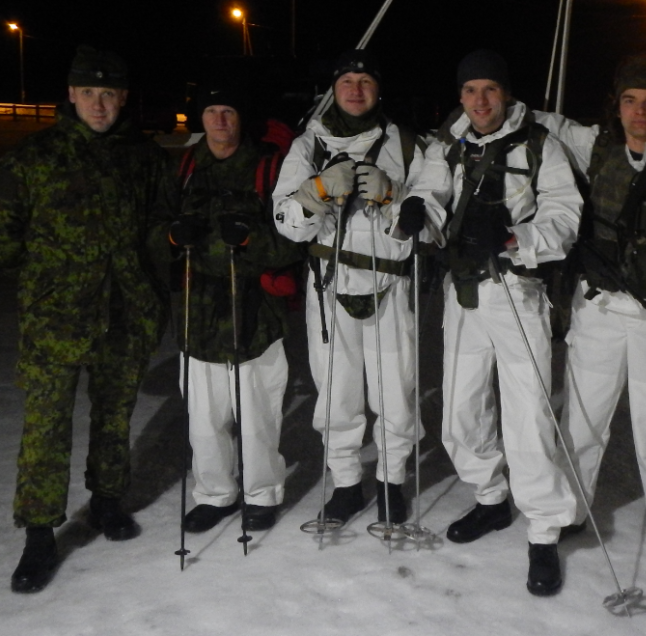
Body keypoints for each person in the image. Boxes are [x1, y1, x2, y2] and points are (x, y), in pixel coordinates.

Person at [0, 46, 167, 593]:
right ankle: (38, 534)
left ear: (123, 98)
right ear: (71, 94)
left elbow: (161, 228)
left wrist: (150, 291)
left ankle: (106, 502)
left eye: (109, 94)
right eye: (89, 93)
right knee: (46, 427)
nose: (99, 104)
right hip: (57, 319)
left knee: (113, 414)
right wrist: (46, 277)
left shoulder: (143, 159)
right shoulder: (34, 157)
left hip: (125, 313)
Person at [272, 50, 450, 526]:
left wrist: (395, 197)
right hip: (329, 287)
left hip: (390, 285)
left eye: (365, 80)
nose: (355, 89)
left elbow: (432, 221)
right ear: (334, 89)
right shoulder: (307, 146)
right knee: (336, 391)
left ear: (378, 89)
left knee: (397, 389)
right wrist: (316, 191)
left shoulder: (410, 144)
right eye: (346, 80)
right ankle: (347, 483)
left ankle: (392, 482)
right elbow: (286, 224)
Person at [535, 54, 646, 544]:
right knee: (583, 420)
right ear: (618, 106)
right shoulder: (597, 149)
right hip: (600, 309)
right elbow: (538, 119)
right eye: (630, 101)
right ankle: (570, 508)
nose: (640, 112)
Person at [438, 49, 581, 596]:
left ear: (507, 94)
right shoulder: (448, 142)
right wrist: (417, 212)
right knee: (460, 410)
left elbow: (564, 217)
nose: (480, 101)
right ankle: (491, 498)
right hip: (463, 292)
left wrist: (514, 237)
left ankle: (543, 530)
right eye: (471, 90)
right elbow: (430, 193)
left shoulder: (540, 144)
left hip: (516, 290)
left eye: (490, 90)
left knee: (529, 414)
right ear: (460, 96)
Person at [150, 85, 304, 534]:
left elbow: (296, 240)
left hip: (255, 314)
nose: (219, 120)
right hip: (197, 316)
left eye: (228, 111)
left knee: (257, 416)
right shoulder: (183, 168)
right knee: (204, 419)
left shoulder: (270, 168)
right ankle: (216, 494)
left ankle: (262, 494)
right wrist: (174, 236)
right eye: (211, 112)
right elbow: (155, 234)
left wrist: (253, 241)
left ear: (241, 117)